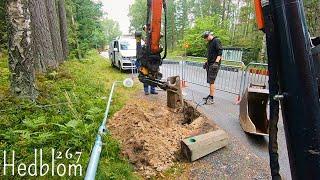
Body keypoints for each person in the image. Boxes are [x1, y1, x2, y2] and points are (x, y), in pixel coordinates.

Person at [202, 31, 223, 104]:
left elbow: (220, 53)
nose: (206, 39)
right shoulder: (209, 43)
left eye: (206, 37)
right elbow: (210, 54)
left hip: (214, 64)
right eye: (205, 38)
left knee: (211, 81)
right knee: (209, 81)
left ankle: (211, 98)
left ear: (209, 35)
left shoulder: (216, 40)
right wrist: (206, 62)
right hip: (209, 64)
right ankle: (210, 95)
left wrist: (216, 63)